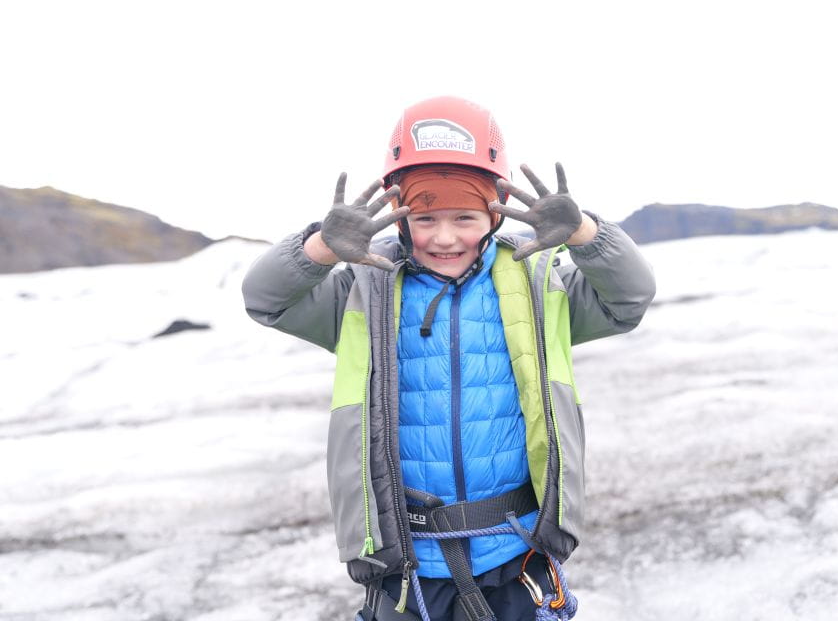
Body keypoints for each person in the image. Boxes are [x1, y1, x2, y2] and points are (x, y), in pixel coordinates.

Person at [241, 96, 656, 621]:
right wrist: (321, 247)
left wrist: (585, 235)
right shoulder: (360, 294)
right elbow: (265, 299)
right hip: (406, 571)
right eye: (425, 216)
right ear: (397, 214)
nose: (444, 236)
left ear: (495, 211)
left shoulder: (538, 285)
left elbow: (629, 299)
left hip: (516, 556)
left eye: (465, 216)